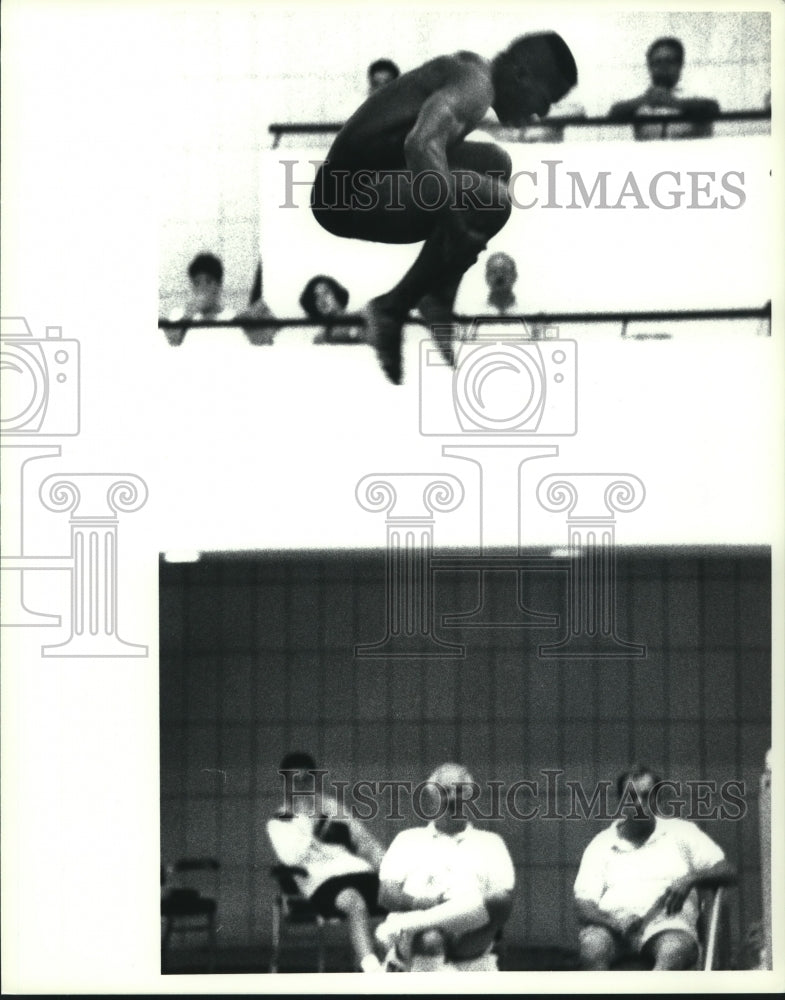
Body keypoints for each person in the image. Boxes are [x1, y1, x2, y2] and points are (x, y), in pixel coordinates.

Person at [311, 32, 578, 383]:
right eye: (547, 98)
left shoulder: (472, 72)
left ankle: (437, 296)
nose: (543, 112)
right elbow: (421, 146)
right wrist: (456, 231)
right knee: (494, 202)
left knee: (496, 164)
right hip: (346, 197)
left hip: (372, 175)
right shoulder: (476, 86)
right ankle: (391, 308)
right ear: (521, 74)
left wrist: (454, 240)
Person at [573, 764, 737, 970]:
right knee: (591, 946)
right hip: (614, 927)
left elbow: (728, 870)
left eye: (646, 795)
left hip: (668, 926)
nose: (639, 803)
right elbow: (583, 905)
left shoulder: (682, 832)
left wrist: (689, 879)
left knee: (674, 950)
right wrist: (614, 924)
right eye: (631, 797)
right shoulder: (601, 842)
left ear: (657, 799)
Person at [375, 762, 515, 972]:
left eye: (459, 791)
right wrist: (420, 902)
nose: (451, 798)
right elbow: (386, 895)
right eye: (445, 791)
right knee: (430, 939)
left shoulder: (491, 842)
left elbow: (500, 905)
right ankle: (419, 927)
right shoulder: (408, 839)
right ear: (432, 796)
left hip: (469, 933)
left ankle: (412, 924)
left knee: (501, 899)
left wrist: (455, 910)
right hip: (419, 935)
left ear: (469, 796)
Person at [266, 752, 387, 973]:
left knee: (398, 896)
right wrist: (310, 820)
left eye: (307, 779)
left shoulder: (330, 806)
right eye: (296, 780)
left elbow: (363, 839)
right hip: (320, 881)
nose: (302, 785)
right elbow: (291, 858)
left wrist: (390, 868)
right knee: (354, 901)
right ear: (285, 783)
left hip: (356, 870)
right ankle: (373, 971)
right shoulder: (279, 821)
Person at [608, 37, 720, 140]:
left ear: (680, 65)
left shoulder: (695, 93)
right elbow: (614, 113)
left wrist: (672, 102)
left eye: (669, 61)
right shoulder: (642, 100)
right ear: (649, 66)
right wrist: (646, 101)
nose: (663, 67)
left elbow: (713, 108)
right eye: (657, 62)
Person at [166, 252, 235, 346]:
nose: (202, 288)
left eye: (208, 281)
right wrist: (187, 316)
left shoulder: (232, 319)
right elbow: (171, 344)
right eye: (196, 283)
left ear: (219, 286)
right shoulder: (178, 315)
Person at [299, 275, 361, 344]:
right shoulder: (320, 339)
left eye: (326, 292)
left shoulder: (358, 321)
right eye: (317, 296)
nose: (322, 300)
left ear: (337, 294)